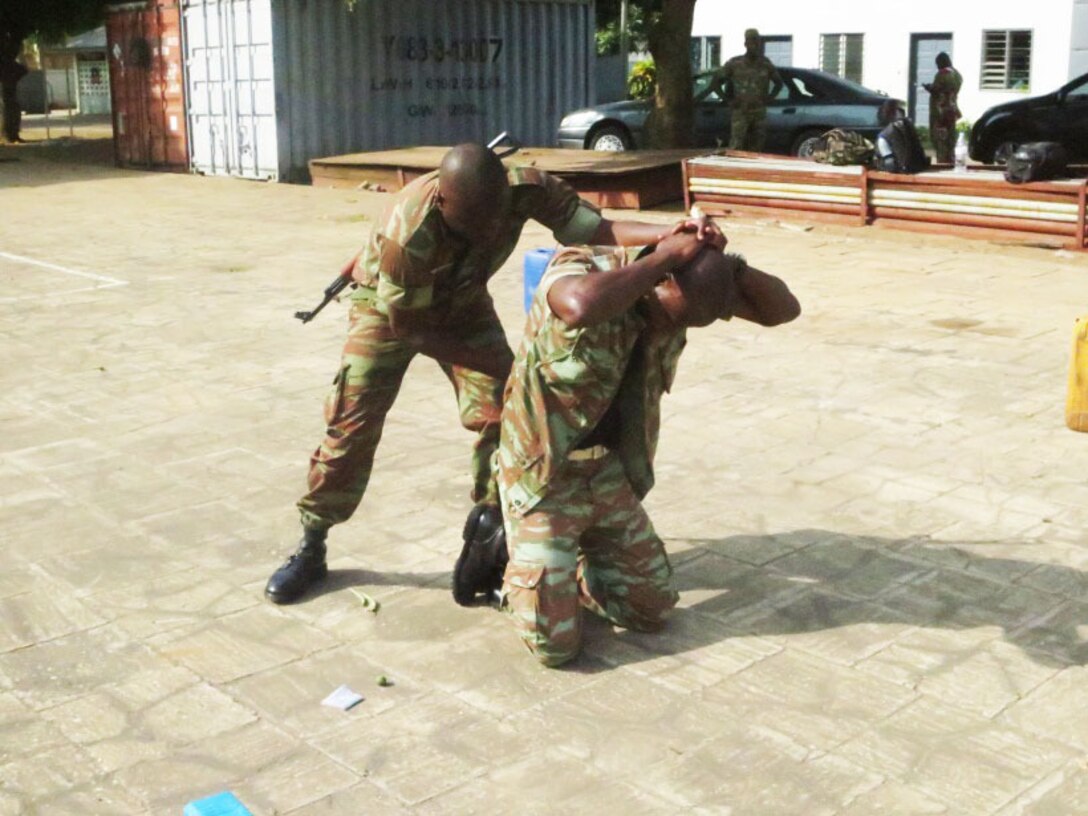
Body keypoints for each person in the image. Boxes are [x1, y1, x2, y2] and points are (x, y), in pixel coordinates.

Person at [265, 142, 724, 604]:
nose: (487, 230)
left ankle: (492, 535)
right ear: (444, 202)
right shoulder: (406, 234)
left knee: (504, 416)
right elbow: (413, 332)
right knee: (351, 426)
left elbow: (595, 227)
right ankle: (313, 542)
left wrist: (670, 233)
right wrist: (509, 366)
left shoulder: (526, 188)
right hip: (390, 316)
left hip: (463, 302)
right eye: (473, 223)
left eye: (495, 217)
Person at [457, 230, 800, 666]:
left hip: (607, 476)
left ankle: (561, 569)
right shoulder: (582, 268)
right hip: (544, 474)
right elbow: (577, 305)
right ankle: (504, 556)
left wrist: (729, 263)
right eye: (667, 313)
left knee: (648, 611)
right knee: (556, 648)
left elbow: (784, 310)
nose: (667, 328)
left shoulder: (685, 294)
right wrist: (662, 256)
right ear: (659, 280)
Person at [706, 28, 784, 152]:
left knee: (757, 146)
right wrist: (728, 100)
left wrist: (769, 98)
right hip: (740, 111)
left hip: (759, 112)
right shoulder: (735, 63)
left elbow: (779, 83)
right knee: (737, 145)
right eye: (751, 42)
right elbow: (715, 83)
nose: (754, 45)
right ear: (745, 44)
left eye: (757, 42)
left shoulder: (765, 63)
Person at [923, 52, 962, 164]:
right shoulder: (956, 74)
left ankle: (942, 162)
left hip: (941, 111)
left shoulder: (942, 74)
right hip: (952, 109)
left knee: (940, 140)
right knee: (950, 138)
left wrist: (928, 87)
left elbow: (936, 89)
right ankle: (951, 160)